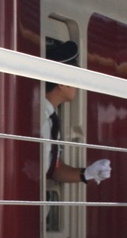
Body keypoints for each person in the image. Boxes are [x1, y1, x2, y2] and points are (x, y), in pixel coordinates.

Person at [42, 40, 111, 185]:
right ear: (61, 82)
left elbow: (54, 168)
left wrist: (86, 173)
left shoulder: (50, 118)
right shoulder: (39, 119)